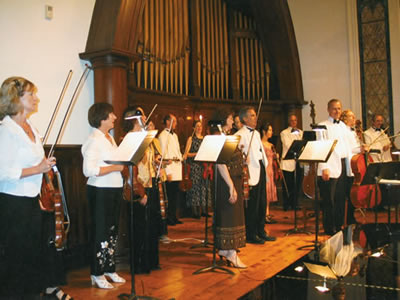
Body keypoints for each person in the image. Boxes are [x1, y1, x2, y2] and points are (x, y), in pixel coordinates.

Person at [0, 77, 56, 299]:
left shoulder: (31, 127)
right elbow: (3, 172)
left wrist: (45, 171)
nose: (36, 98)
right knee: (17, 258)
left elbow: (38, 163)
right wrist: (38, 169)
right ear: (16, 99)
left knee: (32, 254)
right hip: (13, 203)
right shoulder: (6, 130)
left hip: (32, 200)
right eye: (30, 95)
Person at [81, 102, 125, 289]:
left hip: (114, 189)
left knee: (111, 232)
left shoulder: (109, 138)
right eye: (111, 114)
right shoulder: (94, 140)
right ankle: (96, 273)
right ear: (102, 118)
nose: (115, 117)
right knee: (100, 233)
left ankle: (109, 269)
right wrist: (115, 167)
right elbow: (88, 170)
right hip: (100, 191)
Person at [121, 106, 161, 274]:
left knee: (151, 225)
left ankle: (151, 261)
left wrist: (156, 161)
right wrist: (141, 192)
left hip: (150, 184)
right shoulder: (130, 139)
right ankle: (138, 264)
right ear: (134, 119)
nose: (145, 117)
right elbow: (129, 169)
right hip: (138, 188)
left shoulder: (145, 138)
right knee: (138, 227)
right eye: (141, 114)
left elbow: (146, 161)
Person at [209, 109, 247, 268]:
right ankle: (230, 252)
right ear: (223, 120)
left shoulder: (226, 137)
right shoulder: (218, 138)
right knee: (229, 216)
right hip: (226, 182)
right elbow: (220, 163)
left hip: (233, 180)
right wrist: (231, 186)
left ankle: (226, 250)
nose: (233, 121)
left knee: (233, 215)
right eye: (231, 118)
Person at [235, 107, 276, 244]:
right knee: (252, 205)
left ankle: (261, 230)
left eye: (255, 115)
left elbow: (260, 152)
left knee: (262, 203)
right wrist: (243, 159)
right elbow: (237, 154)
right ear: (245, 119)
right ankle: (251, 234)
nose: (255, 118)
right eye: (252, 116)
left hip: (261, 168)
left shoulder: (257, 133)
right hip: (251, 171)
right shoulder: (240, 134)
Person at [317, 99, 352, 235]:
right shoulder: (322, 126)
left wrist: (359, 148)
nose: (337, 111)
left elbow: (348, 146)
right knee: (329, 200)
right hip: (330, 167)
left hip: (343, 165)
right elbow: (321, 148)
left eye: (339, 108)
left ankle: (338, 225)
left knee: (340, 198)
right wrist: (324, 167)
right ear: (328, 110)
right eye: (334, 108)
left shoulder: (343, 125)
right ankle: (329, 227)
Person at [340, 109, 365, 225]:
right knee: (348, 193)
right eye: (351, 117)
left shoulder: (352, 131)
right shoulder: (343, 131)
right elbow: (348, 148)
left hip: (354, 163)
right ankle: (347, 218)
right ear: (345, 119)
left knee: (351, 193)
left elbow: (355, 146)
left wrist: (361, 146)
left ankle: (351, 217)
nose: (354, 119)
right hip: (348, 164)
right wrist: (360, 149)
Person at [158, 114, 183, 226]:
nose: (176, 123)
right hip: (170, 169)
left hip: (177, 167)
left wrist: (181, 158)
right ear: (168, 121)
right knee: (170, 195)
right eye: (174, 121)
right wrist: (168, 172)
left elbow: (177, 151)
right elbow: (163, 154)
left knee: (175, 195)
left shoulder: (175, 135)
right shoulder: (163, 135)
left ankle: (174, 216)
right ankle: (169, 218)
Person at [183, 120, 209, 218]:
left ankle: (203, 210)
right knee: (195, 188)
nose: (199, 128)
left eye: (200, 126)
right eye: (197, 126)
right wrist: (197, 154)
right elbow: (186, 154)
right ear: (194, 128)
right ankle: (195, 211)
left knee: (203, 188)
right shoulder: (191, 138)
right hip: (194, 166)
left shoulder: (205, 139)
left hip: (204, 166)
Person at [280, 114, 303, 211]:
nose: (294, 122)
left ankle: (295, 203)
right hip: (288, 162)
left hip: (298, 162)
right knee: (287, 185)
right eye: (292, 120)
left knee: (297, 184)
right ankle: (286, 204)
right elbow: (288, 145)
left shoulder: (301, 132)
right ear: (289, 121)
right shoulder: (284, 133)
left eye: (295, 120)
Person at [260, 123, 278, 224]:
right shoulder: (261, 144)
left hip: (271, 169)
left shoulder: (271, 145)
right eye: (269, 130)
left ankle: (267, 213)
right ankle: (264, 214)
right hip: (265, 169)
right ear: (264, 131)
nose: (271, 132)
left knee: (269, 193)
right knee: (265, 193)